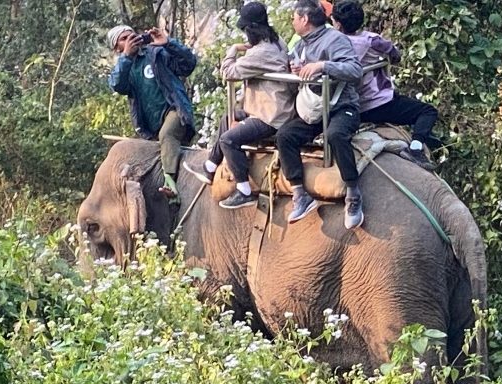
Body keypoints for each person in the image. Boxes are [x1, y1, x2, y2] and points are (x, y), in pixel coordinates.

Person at [185, 2, 294, 209]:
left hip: (270, 116)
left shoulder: (260, 53)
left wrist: (232, 50)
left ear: (251, 28)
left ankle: (244, 190)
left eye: (245, 30)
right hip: (271, 106)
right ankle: (209, 167)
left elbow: (228, 72)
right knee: (228, 118)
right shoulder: (277, 41)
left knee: (228, 140)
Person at [275, 0, 364, 227]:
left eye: (294, 17)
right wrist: (296, 69)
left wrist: (323, 66)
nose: (292, 21)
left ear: (304, 19)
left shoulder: (335, 39)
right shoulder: (300, 44)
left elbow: (355, 70)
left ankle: (353, 192)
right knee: (285, 136)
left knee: (335, 135)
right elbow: (296, 65)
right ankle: (300, 194)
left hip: (342, 106)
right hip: (315, 109)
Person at [330, 0, 438, 170]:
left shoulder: (332, 43)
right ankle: (416, 148)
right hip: (379, 104)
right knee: (428, 111)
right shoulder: (371, 40)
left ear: (336, 23)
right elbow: (395, 53)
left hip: (351, 108)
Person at [106, 24, 198, 200]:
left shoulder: (156, 54)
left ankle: (169, 181)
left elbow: (189, 64)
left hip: (175, 110)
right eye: (124, 39)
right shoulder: (124, 68)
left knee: (168, 133)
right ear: (117, 47)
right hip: (150, 127)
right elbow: (118, 85)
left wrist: (167, 43)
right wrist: (126, 57)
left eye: (132, 36)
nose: (130, 40)